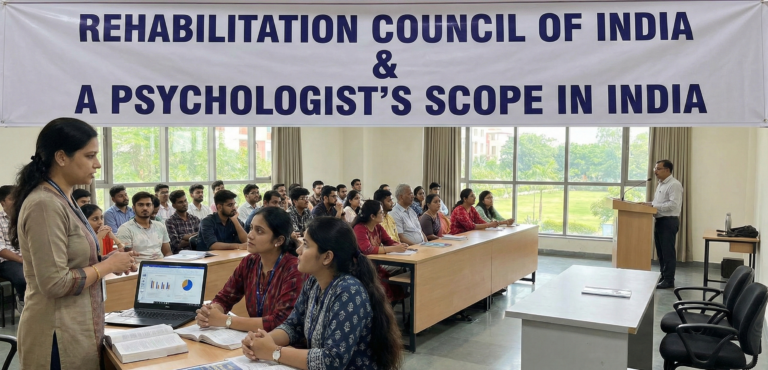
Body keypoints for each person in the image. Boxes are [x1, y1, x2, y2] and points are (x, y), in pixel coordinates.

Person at [9, 118, 137, 369]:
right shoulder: (45, 204)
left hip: (78, 327)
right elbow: (55, 282)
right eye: (90, 156)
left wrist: (107, 261)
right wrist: (107, 266)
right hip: (57, 334)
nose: (97, 164)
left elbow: (73, 261)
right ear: (61, 157)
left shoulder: (63, 197)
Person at [241, 217, 403, 370]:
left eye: (305, 244)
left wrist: (274, 352)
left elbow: (332, 360)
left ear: (327, 257)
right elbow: (294, 325)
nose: (298, 250)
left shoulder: (349, 291)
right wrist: (261, 341)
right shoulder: (313, 282)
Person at [196, 207, 304, 332]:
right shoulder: (250, 261)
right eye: (251, 228)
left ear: (279, 240)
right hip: (256, 340)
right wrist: (210, 312)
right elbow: (224, 298)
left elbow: (280, 322)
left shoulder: (295, 269)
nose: (250, 235)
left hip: (285, 346)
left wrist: (225, 320)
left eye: (259, 231)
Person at [352, 200, 408, 300]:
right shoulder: (359, 228)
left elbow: (388, 241)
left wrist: (401, 246)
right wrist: (395, 248)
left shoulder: (378, 227)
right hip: (362, 268)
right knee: (383, 285)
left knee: (394, 284)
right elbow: (367, 250)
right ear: (372, 216)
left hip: (375, 265)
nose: (383, 214)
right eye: (381, 212)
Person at [644, 159, 684, 289]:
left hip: (669, 221)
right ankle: (663, 275)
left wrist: (654, 205)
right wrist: (648, 204)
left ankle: (669, 280)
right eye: (655, 168)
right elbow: (659, 203)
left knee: (668, 252)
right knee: (661, 252)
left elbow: (673, 204)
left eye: (658, 169)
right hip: (660, 221)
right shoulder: (661, 184)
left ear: (667, 170)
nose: (655, 171)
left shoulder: (674, 185)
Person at [116, 192, 172, 261]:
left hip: (160, 266)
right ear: (133, 208)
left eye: (148, 205)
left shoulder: (160, 226)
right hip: (138, 269)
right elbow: (126, 258)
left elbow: (167, 253)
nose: (145, 208)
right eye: (140, 205)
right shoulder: (125, 229)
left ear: (153, 207)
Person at [0, 185, 25, 313]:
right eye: (12, 198)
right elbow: (1, 249)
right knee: (23, 276)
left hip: (26, 257)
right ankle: (22, 302)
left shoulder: (24, 217)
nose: (16, 200)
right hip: (6, 261)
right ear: (3, 202)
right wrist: (21, 260)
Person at [165, 190, 201, 254]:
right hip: (180, 257)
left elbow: (202, 238)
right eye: (180, 202)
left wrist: (184, 237)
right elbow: (176, 244)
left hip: (197, 254)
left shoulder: (195, 219)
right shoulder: (170, 222)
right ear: (174, 205)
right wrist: (193, 238)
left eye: (185, 201)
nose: (184, 204)